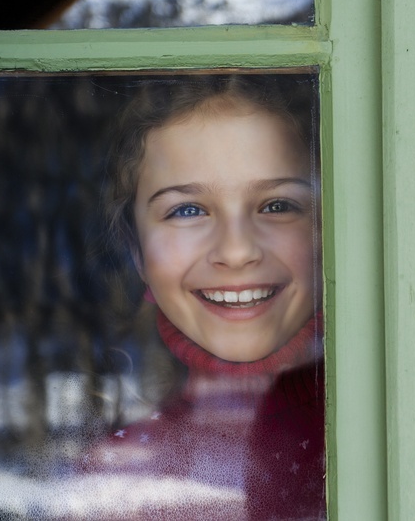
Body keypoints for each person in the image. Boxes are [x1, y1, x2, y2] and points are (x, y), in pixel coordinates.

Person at [82, 74, 325, 519]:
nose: (236, 251)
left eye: (277, 205)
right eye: (187, 210)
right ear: (136, 250)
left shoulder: (402, 427)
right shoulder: (110, 488)